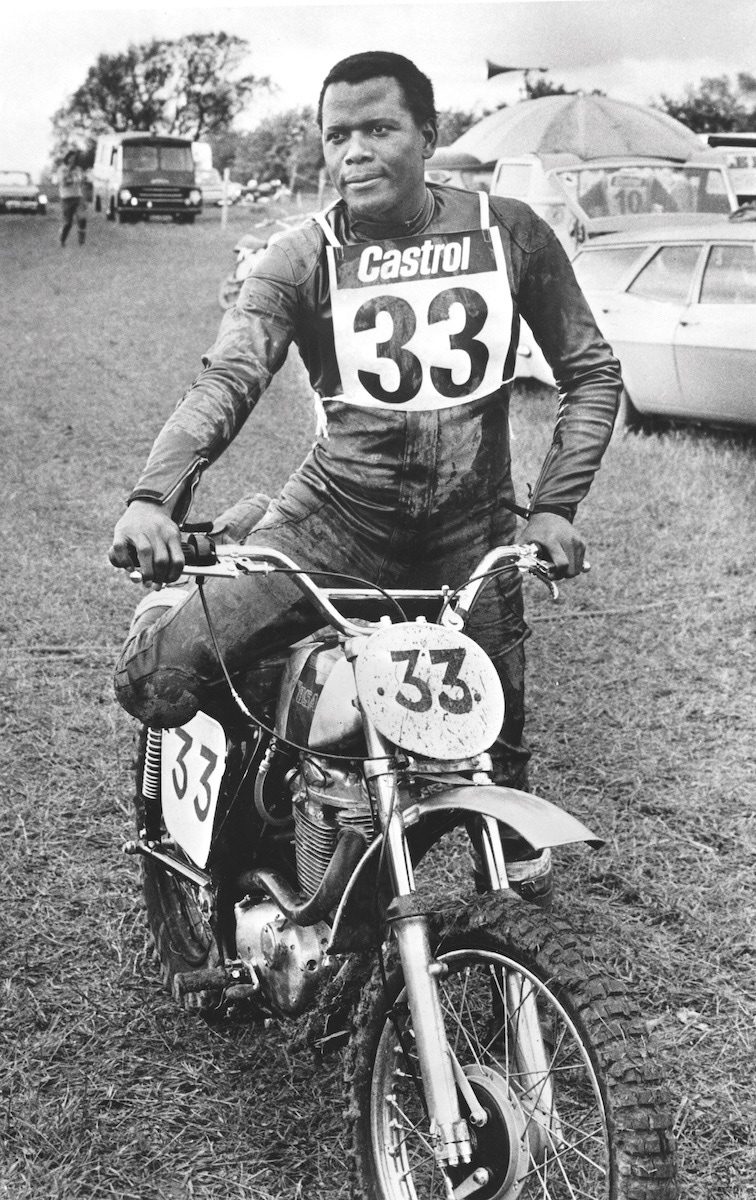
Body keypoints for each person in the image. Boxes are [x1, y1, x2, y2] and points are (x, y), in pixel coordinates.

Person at [109, 51, 622, 900]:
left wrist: (555, 507)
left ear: (428, 136)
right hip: (331, 524)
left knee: (500, 782)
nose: (354, 152)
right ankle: (272, 775)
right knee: (157, 681)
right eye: (336, 136)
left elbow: (590, 371)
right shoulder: (298, 254)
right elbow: (228, 378)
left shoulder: (511, 231)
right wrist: (152, 499)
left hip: (472, 538)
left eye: (378, 129)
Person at [56, 149, 88, 247]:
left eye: (75, 159)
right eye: (71, 158)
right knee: (68, 222)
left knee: (82, 218)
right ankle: (62, 239)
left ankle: (81, 240)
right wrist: (69, 171)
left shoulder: (78, 169)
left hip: (77, 196)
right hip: (66, 198)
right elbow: (63, 182)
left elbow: (81, 183)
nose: (73, 160)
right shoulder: (62, 169)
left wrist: (84, 198)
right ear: (67, 158)